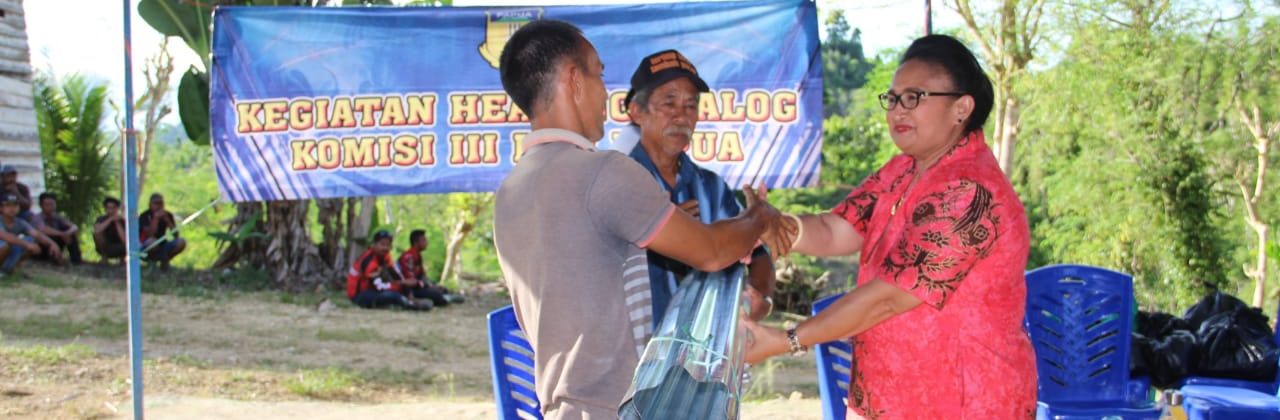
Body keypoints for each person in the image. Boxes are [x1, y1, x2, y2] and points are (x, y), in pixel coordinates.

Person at [493, 20, 780, 419]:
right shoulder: (605, 173)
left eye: (691, 104)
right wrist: (760, 216)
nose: (603, 91)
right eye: (599, 75)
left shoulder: (512, 189)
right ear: (574, 80)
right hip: (625, 406)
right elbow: (713, 252)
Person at [743, 34, 1036, 419]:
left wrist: (788, 340)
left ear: (962, 108)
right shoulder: (904, 170)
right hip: (887, 395)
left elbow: (888, 298)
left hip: (963, 403)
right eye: (893, 99)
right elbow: (838, 229)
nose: (898, 110)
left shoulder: (970, 191)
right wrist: (777, 226)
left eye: (914, 97)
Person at [623, 49, 776, 324]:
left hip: (705, 344)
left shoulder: (711, 187)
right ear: (637, 112)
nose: (682, 117)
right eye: (669, 103)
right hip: (637, 344)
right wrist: (666, 233)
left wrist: (760, 297)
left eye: (691, 106)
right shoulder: (619, 182)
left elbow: (758, 254)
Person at [346, 230, 430, 311]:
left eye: (388, 245)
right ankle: (409, 304)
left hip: (372, 288)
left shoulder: (385, 256)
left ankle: (412, 299)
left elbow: (395, 274)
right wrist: (402, 283)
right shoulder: (370, 261)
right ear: (374, 245)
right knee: (393, 295)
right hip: (359, 294)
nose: (385, 248)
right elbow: (379, 286)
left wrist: (404, 283)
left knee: (402, 286)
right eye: (382, 244)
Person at [396, 229, 465, 307]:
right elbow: (411, 280)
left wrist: (431, 284)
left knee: (441, 288)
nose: (426, 242)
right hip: (409, 289)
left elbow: (422, 276)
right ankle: (444, 298)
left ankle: (445, 296)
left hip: (418, 285)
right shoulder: (409, 257)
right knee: (435, 294)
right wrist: (428, 286)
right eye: (423, 240)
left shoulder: (417, 255)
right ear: (416, 242)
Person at [0, 193, 60, 275]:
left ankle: (12, 269)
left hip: (8, 254)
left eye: (15, 205)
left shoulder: (20, 222)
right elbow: (5, 236)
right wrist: (27, 244)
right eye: (8, 205)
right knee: (6, 244)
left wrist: (52, 244)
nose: (12, 208)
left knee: (32, 240)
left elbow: (37, 234)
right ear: (1, 208)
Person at [138, 193, 186, 269]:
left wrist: (167, 220)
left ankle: (165, 260)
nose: (159, 206)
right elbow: (150, 234)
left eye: (160, 203)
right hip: (146, 245)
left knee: (181, 242)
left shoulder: (167, 215)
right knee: (152, 242)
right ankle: (151, 262)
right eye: (156, 203)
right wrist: (155, 219)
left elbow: (175, 234)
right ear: (150, 204)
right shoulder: (144, 216)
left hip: (163, 243)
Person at [33, 193, 82, 264]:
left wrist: (67, 233)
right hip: (43, 245)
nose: (50, 207)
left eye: (52, 204)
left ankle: (75, 260)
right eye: (47, 204)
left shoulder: (58, 217)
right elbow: (43, 229)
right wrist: (61, 234)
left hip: (57, 241)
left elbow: (74, 227)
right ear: (41, 205)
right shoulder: (37, 217)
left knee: (69, 235)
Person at [93, 197, 127, 265]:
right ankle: (104, 258)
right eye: (108, 208)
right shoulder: (101, 219)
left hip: (120, 247)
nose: (111, 210)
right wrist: (110, 219)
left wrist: (117, 222)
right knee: (97, 234)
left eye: (113, 208)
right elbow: (96, 230)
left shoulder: (122, 221)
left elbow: (125, 239)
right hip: (106, 246)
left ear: (117, 208)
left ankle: (122, 259)